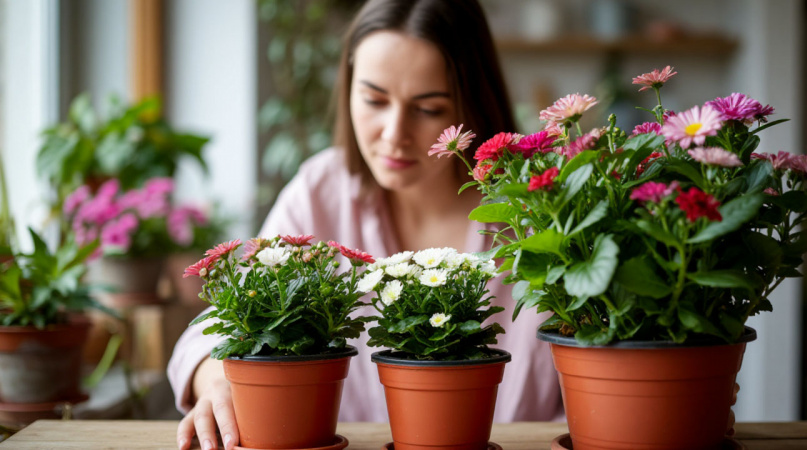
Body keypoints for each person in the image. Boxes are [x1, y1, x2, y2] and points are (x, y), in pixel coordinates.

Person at [168, 1, 562, 449]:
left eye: (428, 109)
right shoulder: (321, 192)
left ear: (474, 102)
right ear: (348, 87)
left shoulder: (543, 209)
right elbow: (207, 334)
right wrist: (218, 380)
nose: (394, 134)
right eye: (374, 100)